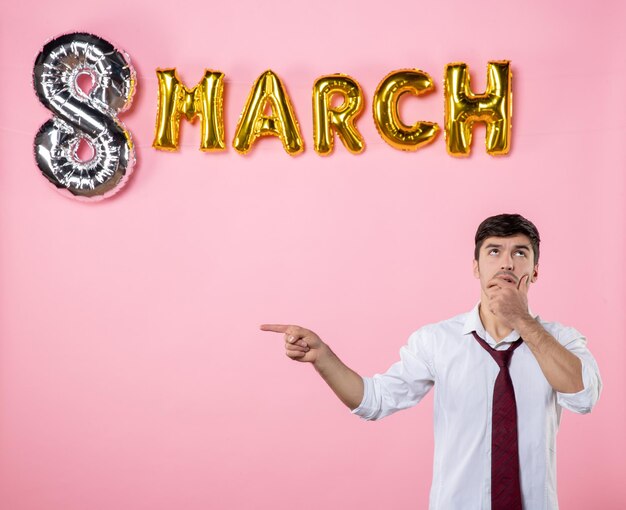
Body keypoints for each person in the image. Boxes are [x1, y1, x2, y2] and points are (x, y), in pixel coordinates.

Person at [260, 213, 601, 510]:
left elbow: (584, 396)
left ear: (535, 270)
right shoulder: (436, 341)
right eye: (494, 251)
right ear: (475, 266)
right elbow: (375, 401)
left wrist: (522, 321)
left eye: (520, 253)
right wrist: (323, 358)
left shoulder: (563, 340)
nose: (507, 263)